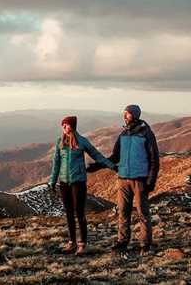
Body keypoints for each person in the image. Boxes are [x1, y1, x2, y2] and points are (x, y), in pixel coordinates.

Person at [48, 115, 116, 255]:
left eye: (67, 125)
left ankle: (82, 244)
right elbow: (56, 163)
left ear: (73, 126)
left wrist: (112, 166)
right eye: (63, 125)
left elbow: (97, 156)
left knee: (79, 213)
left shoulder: (82, 142)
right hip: (64, 182)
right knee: (68, 213)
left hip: (78, 182)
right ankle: (72, 243)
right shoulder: (60, 142)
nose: (65, 128)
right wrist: (52, 181)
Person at [107, 104, 160, 255]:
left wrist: (151, 181)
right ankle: (122, 241)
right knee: (123, 212)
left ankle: (145, 243)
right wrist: (100, 164)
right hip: (123, 178)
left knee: (143, 212)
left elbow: (154, 159)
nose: (124, 116)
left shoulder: (146, 133)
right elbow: (115, 156)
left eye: (127, 114)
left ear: (135, 115)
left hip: (140, 179)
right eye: (124, 113)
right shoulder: (123, 134)